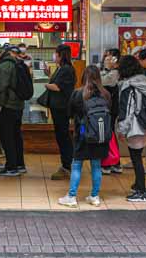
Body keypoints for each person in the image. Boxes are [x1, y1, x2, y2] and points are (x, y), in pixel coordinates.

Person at [58, 66, 110, 208]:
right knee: (96, 165)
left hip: (82, 132)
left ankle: (72, 196)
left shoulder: (79, 93)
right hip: (100, 134)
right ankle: (94, 196)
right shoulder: (105, 94)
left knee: (77, 164)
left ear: (84, 77)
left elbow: (69, 112)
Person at [116, 54, 146, 202]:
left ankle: (142, 191)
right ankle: (138, 184)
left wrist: (121, 130)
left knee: (136, 158)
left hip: (135, 127)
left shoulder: (128, 86)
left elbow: (126, 110)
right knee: (138, 156)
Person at [45, 44, 76, 180]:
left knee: (63, 136)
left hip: (61, 108)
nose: (54, 56)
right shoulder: (62, 69)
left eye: (56, 54)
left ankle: (67, 165)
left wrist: (46, 85)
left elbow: (58, 87)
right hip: (58, 107)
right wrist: (49, 75)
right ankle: (67, 164)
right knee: (61, 135)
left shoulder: (67, 69)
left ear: (60, 55)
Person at [0, 45, 25, 176]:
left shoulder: (4, 66)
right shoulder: (17, 63)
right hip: (18, 104)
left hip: (8, 105)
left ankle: (11, 167)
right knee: (16, 135)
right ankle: (19, 164)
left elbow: (2, 87)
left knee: (7, 136)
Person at [100, 49, 122, 175]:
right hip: (107, 107)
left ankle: (111, 163)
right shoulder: (107, 71)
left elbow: (103, 82)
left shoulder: (116, 73)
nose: (106, 60)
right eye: (106, 58)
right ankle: (113, 162)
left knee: (108, 133)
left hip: (111, 108)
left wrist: (108, 69)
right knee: (109, 133)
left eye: (110, 58)